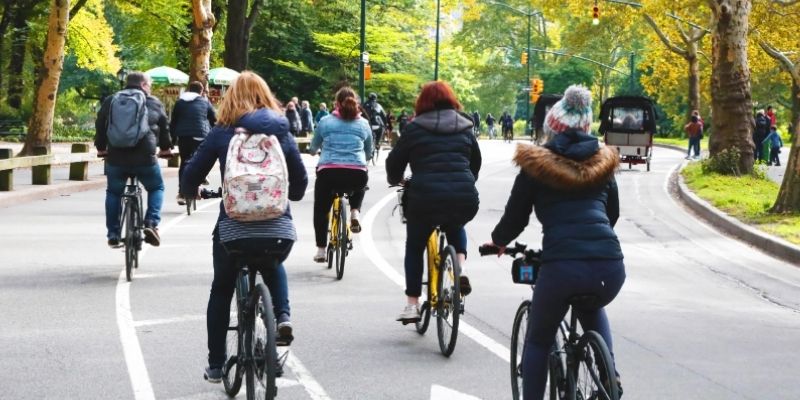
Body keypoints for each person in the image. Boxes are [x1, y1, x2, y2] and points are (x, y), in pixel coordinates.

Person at [483, 85, 624, 400]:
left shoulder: (536, 165)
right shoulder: (605, 164)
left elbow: (516, 217)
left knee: (538, 341)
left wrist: (498, 241)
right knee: (592, 304)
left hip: (562, 267)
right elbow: (612, 214)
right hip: (609, 267)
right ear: (588, 128)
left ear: (551, 128)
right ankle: (608, 378)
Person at [179, 71, 308, 383]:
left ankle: (215, 364)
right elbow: (301, 183)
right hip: (277, 228)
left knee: (221, 288)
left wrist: (190, 189)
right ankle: (282, 317)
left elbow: (191, 174)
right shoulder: (282, 131)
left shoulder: (222, 132)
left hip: (234, 229)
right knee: (272, 262)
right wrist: (287, 193)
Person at [386, 81, 481, 322]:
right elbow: (475, 161)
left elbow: (396, 161)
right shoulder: (465, 125)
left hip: (425, 197)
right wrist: (467, 181)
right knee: (455, 222)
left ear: (423, 102)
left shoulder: (414, 128)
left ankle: (412, 304)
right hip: (463, 195)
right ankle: (460, 267)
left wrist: (395, 178)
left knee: (415, 246)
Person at [94, 71, 172, 248]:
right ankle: (151, 223)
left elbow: (101, 124)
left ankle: (113, 234)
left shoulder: (112, 100)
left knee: (114, 192)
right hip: (145, 157)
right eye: (149, 85)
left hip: (116, 156)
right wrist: (166, 148)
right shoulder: (152, 102)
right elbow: (164, 127)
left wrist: (101, 147)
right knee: (156, 187)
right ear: (144, 85)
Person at [309, 86, 373, 263]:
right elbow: (369, 152)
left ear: (336, 104)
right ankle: (354, 212)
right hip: (356, 174)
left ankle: (321, 250)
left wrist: (313, 151)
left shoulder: (326, 122)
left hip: (329, 173)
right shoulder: (364, 124)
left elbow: (313, 148)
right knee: (361, 179)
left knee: (321, 209)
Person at [170, 81, 217, 205]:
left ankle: (181, 193)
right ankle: (201, 177)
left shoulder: (179, 102)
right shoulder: (204, 102)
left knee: (184, 162)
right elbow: (214, 119)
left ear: (188, 89)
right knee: (201, 160)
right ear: (201, 91)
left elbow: (173, 121)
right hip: (200, 135)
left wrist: (172, 140)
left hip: (183, 136)